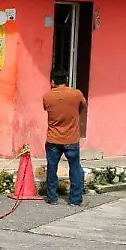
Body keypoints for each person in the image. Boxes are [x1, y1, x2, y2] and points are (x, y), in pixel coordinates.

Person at [42, 70, 87, 206]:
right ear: (66, 80)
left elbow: (46, 109)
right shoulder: (76, 94)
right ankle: (75, 200)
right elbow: (83, 105)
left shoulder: (47, 97)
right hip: (71, 138)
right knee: (75, 168)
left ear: (52, 82)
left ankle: (52, 198)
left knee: (52, 168)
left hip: (53, 139)